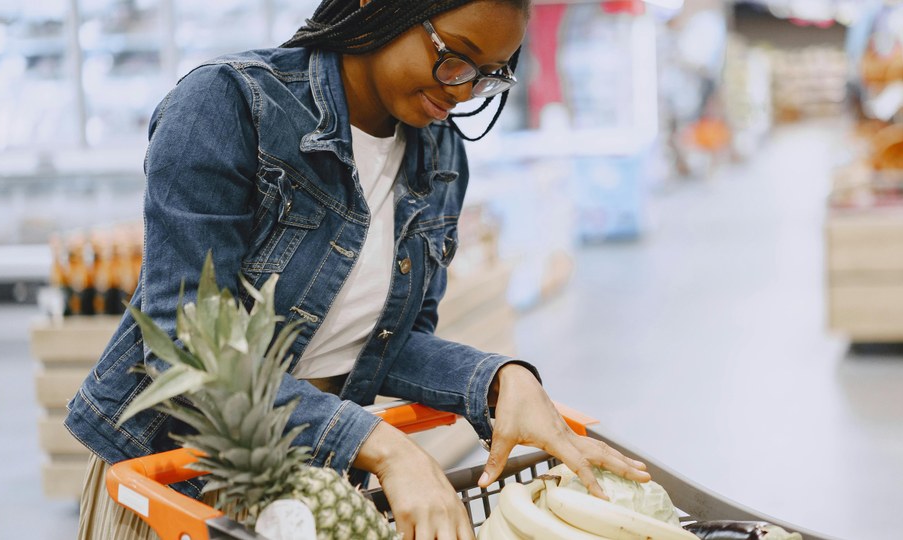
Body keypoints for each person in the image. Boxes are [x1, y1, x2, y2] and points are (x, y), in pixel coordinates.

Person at [64, 1, 650, 538]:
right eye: (455, 58)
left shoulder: (439, 153)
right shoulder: (229, 105)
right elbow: (181, 343)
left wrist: (501, 378)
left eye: (490, 73)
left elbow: (392, 341)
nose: (464, 91)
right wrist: (382, 446)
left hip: (316, 481)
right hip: (173, 477)